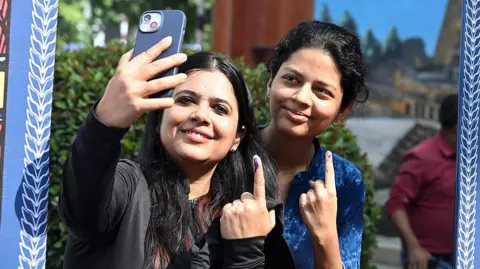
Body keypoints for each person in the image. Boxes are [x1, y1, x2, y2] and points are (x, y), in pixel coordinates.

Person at [58, 37, 294, 269]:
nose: (201, 115)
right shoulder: (125, 187)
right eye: (186, 100)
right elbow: (82, 206)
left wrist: (247, 251)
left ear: (237, 137)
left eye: (219, 109)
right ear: (161, 115)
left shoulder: (250, 217)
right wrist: (105, 122)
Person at [259, 21, 369, 269]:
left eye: (322, 91)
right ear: (270, 83)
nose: (301, 98)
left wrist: (325, 235)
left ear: (343, 110)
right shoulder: (227, 152)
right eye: (291, 79)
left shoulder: (345, 181)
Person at [387, 94, 458, 269]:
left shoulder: (470, 160)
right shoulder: (422, 157)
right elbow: (396, 205)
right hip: (429, 260)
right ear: (457, 126)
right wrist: (414, 247)